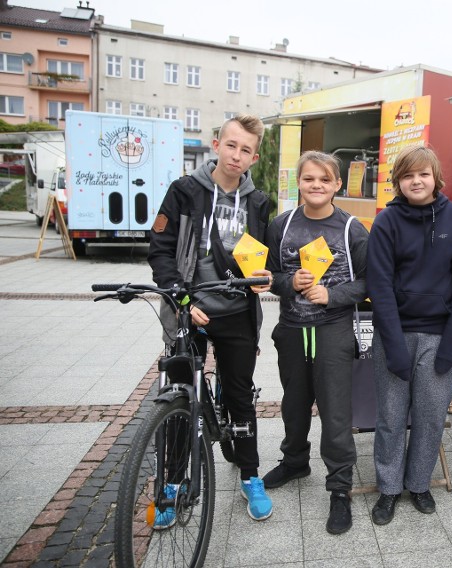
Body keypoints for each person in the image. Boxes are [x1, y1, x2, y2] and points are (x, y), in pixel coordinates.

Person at [148, 114, 274, 522]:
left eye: (246, 150)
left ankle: (250, 474)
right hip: (192, 307)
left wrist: (264, 277)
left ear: (254, 157)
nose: (237, 156)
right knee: (184, 395)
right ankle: (172, 483)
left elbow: (262, 255)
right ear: (216, 143)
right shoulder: (184, 191)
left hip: (237, 310)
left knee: (239, 394)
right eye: (231, 145)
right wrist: (182, 299)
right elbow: (160, 250)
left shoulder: (258, 201)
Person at [366, 145, 452, 525]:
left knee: (430, 417)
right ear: (398, 181)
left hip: (440, 336)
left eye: (423, 174)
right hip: (394, 334)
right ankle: (388, 489)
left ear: (435, 179)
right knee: (391, 418)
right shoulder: (386, 222)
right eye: (408, 175)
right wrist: (394, 346)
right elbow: (379, 286)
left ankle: (418, 484)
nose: (416, 180)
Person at [262, 151, 368, 535]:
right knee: (293, 404)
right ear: (299, 184)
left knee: (335, 413)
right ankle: (294, 461)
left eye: (325, 179)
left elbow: (369, 282)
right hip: (291, 329)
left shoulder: (352, 229)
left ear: (337, 184)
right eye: (309, 179)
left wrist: (333, 296)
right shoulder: (281, 224)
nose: (317, 186)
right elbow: (269, 274)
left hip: (333, 331)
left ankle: (340, 488)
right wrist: (290, 284)